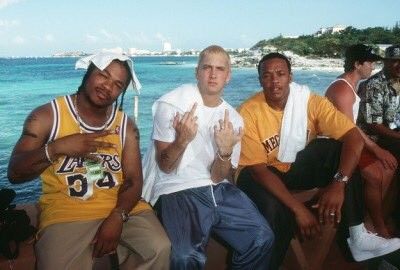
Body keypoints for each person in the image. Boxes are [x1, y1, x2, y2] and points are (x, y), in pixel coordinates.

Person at [236, 52, 400, 269]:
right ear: (260, 80)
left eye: (280, 74)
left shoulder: (307, 101)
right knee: (278, 212)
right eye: (267, 76)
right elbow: (258, 171)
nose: (274, 81)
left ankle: (357, 235)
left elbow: (352, 136)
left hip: (292, 167)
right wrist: (298, 209)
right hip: (260, 174)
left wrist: (339, 183)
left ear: (290, 77)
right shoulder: (248, 111)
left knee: (337, 148)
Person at [7, 52, 171, 269]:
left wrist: (117, 216)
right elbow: (14, 173)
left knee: (159, 247)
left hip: (122, 207)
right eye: (103, 75)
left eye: (117, 84)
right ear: (89, 72)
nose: (107, 86)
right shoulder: (48, 116)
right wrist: (58, 148)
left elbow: (133, 180)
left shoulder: (126, 126)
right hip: (67, 211)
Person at [142, 45, 274, 270]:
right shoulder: (171, 104)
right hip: (177, 188)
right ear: (197, 72)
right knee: (184, 256)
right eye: (207, 68)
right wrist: (181, 140)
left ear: (228, 76)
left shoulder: (233, 119)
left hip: (218, 189)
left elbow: (217, 177)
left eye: (220, 69)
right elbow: (164, 166)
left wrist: (224, 152)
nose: (213, 74)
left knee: (262, 237)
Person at [325, 44, 398, 238]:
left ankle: (373, 218)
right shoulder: (342, 89)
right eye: (370, 62)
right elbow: (349, 129)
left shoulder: (350, 85)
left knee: (389, 168)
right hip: (335, 146)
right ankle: (373, 224)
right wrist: (375, 148)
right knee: (375, 174)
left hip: (347, 140)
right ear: (358, 64)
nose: (372, 67)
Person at [358, 44, 400, 162]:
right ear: (386, 62)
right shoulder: (373, 86)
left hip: (393, 132)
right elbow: (374, 125)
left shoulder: (397, 81)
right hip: (375, 137)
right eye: (396, 61)